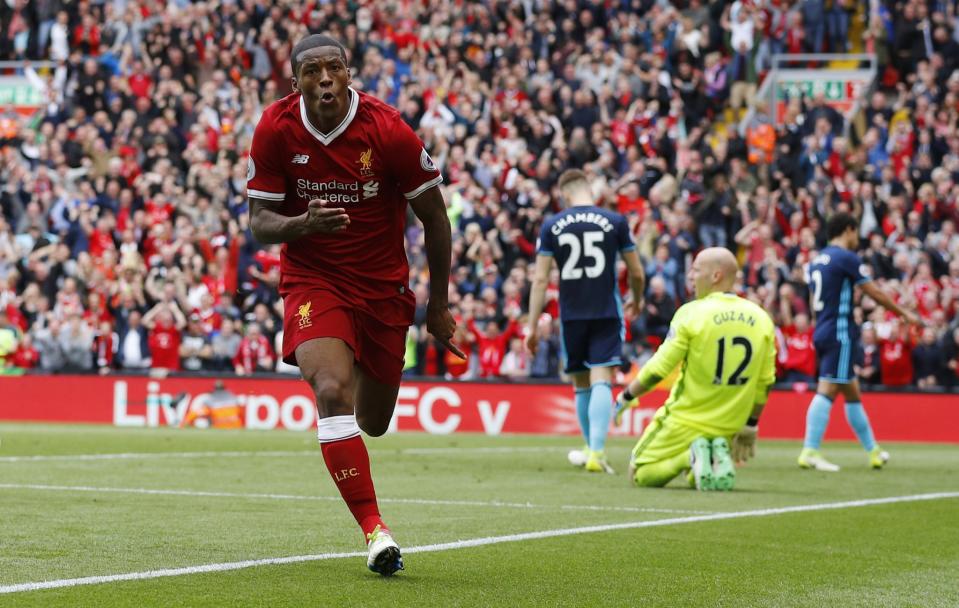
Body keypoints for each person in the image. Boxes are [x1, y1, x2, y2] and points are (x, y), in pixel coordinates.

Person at [246, 33, 461, 576]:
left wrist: (438, 305)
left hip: (383, 290)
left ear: (348, 75)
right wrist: (302, 225)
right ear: (295, 83)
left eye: (333, 69)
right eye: (312, 71)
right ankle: (376, 532)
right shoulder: (275, 127)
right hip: (313, 279)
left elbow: (435, 219)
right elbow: (259, 223)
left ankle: (364, 362)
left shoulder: (387, 130)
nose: (324, 79)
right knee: (331, 390)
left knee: (374, 420)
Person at [615, 248, 777, 491]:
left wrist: (627, 395)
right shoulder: (762, 318)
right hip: (729, 424)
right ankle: (706, 460)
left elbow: (659, 368)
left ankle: (689, 456)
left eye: (696, 269)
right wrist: (751, 424)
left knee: (640, 473)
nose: (690, 275)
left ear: (715, 276)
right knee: (699, 475)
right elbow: (765, 382)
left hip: (686, 418)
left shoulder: (692, 313)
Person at [526, 169, 646, 474]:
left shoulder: (553, 224)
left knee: (580, 382)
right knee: (601, 377)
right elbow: (636, 272)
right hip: (606, 309)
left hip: (572, 314)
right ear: (588, 189)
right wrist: (638, 297)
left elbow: (540, 279)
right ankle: (596, 450)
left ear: (565, 195)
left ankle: (589, 446)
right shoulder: (615, 221)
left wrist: (532, 326)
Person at [798, 212, 921, 472]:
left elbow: (812, 301)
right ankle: (810, 450)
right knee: (828, 388)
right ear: (849, 230)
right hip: (839, 331)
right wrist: (904, 313)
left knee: (852, 391)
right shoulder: (846, 257)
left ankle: (873, 451)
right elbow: (873, 292)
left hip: (823, 328)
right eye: (856, 233)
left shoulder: (817, 260)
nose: (858, 239)